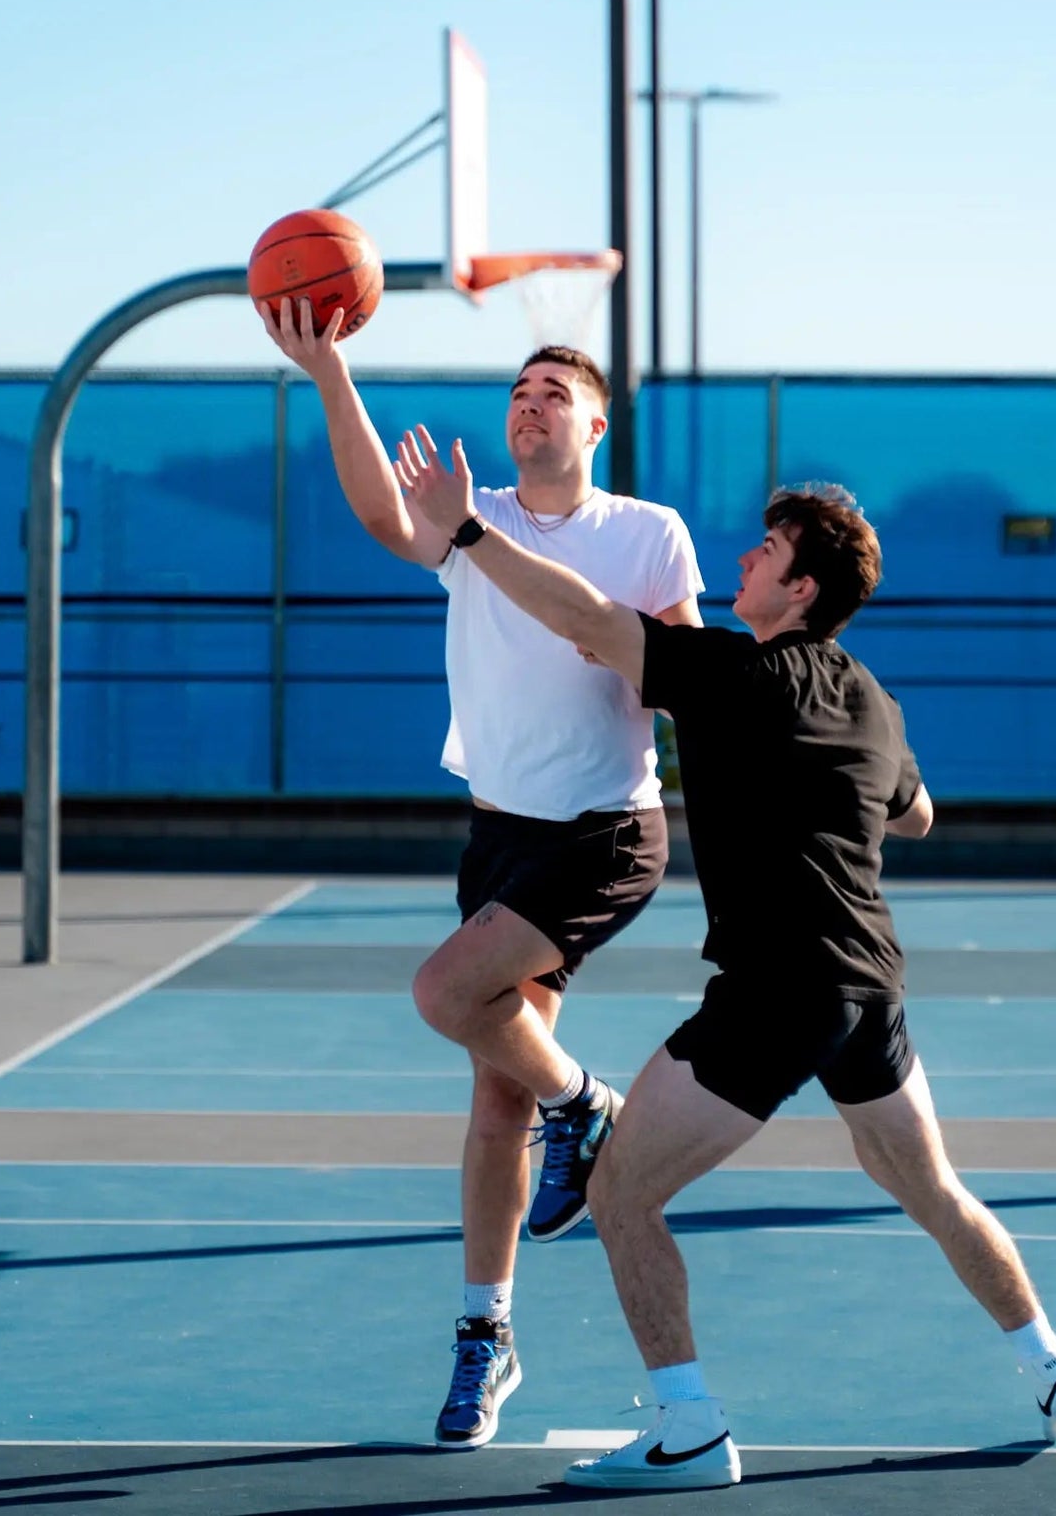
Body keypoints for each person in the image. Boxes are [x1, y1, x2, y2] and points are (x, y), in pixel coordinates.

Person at [394, 431, 1056, 1492]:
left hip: (775, 988)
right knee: (928, 1184)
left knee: (621, 1190)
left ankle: (687, 1424)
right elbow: (915, 814)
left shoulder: (732, 674)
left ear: (801, 585)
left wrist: (462, 529)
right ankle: (1050, 1366)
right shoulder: (872, 698)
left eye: (765, 551)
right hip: (869, 986)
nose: (741, 560)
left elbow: (582, 616)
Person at [259, 299, 704, 1451]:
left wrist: (614, 641)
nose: (529, 402)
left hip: (604, 830)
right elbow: (372, 506)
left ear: (597, 422)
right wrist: (329, 370)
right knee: (493, 1091)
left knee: (445, 993)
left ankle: (587, 1104)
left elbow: (676, 674)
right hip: (500, 833)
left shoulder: (646, 530)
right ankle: (484, 1331)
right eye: (516, 390)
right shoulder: (474, 514)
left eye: (553, 390)